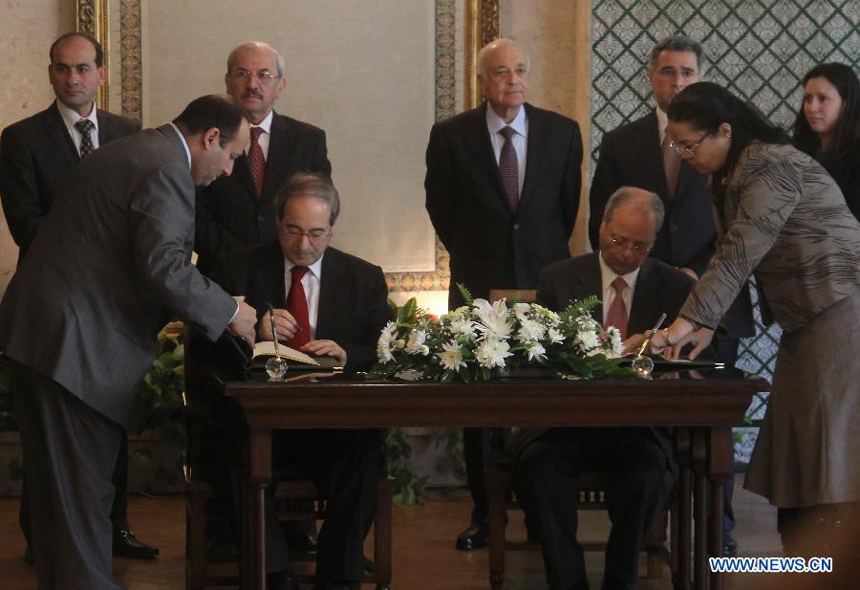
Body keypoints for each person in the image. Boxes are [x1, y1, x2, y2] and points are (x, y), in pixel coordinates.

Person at [0, 94, 257, 590]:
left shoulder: (141, 149)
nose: (229, 171)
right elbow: (164, 266)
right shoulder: (165, 169)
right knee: (81, 491)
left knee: (62, 496)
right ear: (210, 139)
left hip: (49, 336)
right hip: (72, 344)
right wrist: (230, 313)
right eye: (232, 156)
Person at [653, 82, 860, 580]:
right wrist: (704, 328)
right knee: (800, 436)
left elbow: (741, 251)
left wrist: (689, 320)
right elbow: (734, 262)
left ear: (725, 131)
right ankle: (809, 557)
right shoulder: (727, 175)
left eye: (689, 144)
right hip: (805, 316)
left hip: (841, 305)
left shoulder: (771, 163)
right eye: (675, 145)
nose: (683, 155)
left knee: (828, 438)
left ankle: (832, 559)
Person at [0, 31, 159, 561]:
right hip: (54, 309)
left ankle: (114, 529)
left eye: (83, 69)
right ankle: (43, 536)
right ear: (50, 73)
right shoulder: (21, 138)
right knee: (49, 432)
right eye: (62, 69)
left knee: (108, 418)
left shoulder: (128, 133)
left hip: (114, 306)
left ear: (102, 73)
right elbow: (27, 227)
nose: (73, 79)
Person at [588, 33, 748, 553]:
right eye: (667, 72)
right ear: (651, 78)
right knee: (653, 425)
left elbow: (739, 227)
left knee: (711, 419)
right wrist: (658, 273)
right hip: (648, 300)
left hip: (714, 296)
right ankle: (651, 527)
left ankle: (717, 533)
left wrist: (697, 274)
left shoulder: (731, 147)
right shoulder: (620, 143)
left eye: (687, 73)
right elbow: (602, 223)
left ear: (699, 79)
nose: (677, 81)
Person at [424, 37, 582, 551]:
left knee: (544, 399)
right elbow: (440, 208)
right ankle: (484, 514)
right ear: (482, 81)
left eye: (519, 70)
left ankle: (542, 511)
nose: (512, 80)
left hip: (546, 282)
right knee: (480, 403)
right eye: (500, 72)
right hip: (478, 285)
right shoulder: (450, 136)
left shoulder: (562, 132)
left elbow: (566, 206)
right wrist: (476, 256)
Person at [216, 172, 389, 590]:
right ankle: (273, 573)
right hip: (261, 423)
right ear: (277, 223)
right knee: (231, 451)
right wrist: (250, 328)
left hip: (332, 423)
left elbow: (384, 348)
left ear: (332, 229)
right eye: (293, 231)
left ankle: (338, 575)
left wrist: (348, 354)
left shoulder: (363, 278)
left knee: (367, 454)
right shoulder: (236, 268)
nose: (304, 245)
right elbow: (211, 355)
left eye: (316, 233)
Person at [514, 187, 693, 590]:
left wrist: (658, 348)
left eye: (640, 246)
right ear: (601, 229)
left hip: (639, 427)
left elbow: (693, 362)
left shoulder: (674, 287)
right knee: (538, 470)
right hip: (565, 425)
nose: (627, 253)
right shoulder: (558, 278)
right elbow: (533, 357)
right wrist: (571, 343)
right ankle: (568, 582)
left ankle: (620, 578)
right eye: (619, 240)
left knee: (649, 476)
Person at [195, 41, 331, 277]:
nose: (252, 84)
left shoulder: (309, 140)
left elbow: (321, 207)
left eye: (263, 75)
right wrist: (238, 259)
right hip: (220, 274)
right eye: (242, 74)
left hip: (287, 272)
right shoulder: (205, 139)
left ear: (281, 85)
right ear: (227, 82)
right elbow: (193, 211)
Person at [792, 62, 860, 221]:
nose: (812, 108)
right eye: (808, 99)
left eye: (822, 99)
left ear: (846, 103)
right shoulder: (801, 149)